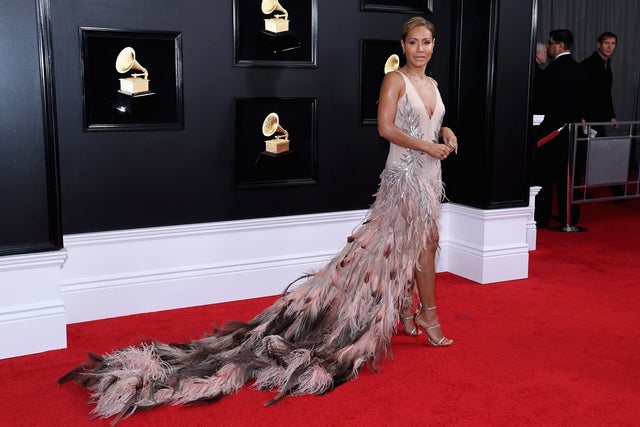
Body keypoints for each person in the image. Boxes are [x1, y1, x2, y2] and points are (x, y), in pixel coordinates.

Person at [58, 16, 457, 422]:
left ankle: (410, 313)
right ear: (403, 46)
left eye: (426, 42)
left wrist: (445, 135)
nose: (420, 49)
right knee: (414, 245)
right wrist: (426, 144)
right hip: (403, 178)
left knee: (423, 243)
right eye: (413, 42)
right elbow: (387, 128)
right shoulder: (395, 80)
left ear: (433, 45)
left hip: (430, 176)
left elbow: (432, 122)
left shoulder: (434, 85)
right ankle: (429, 316)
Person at [534, 29, 586, 228]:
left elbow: (542, 103)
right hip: (572, 132)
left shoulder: (551, 72)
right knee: (567, 177)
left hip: (551, 132)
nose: (549, 47)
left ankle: (542, 217)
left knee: (545, 178)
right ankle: (569, 216)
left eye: (551, 43)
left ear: (560, 46)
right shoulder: (580, 69)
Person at [581, 32, 624, 198]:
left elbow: (605, 94)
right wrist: (582, 117)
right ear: (599, 44)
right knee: (585, 155)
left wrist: (611, 115)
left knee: (598, 154)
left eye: (613, 43)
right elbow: (581, 92)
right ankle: (616, 191)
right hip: (587, 119)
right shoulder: (590, 64)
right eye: (606, 43)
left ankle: (616, 191)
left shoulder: (606, 63)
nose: (609, 47)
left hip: (597, 117)